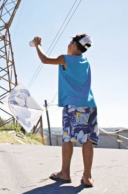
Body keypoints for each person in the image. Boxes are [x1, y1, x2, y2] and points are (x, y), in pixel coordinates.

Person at [32, 34, 98, 188]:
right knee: (87, 140)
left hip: (73, 105)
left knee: (68, 138)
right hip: (90, 105)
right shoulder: (86, 61)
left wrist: (37, 45)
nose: (68, 44)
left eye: (70, 42)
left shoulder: (66, 59)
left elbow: (45, 60)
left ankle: (65, 173)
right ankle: (87, 177)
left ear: (75, 44)